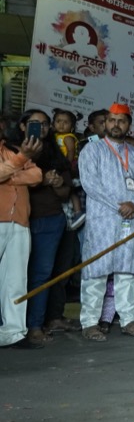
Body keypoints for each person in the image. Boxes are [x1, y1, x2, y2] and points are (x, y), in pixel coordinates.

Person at [75, 103, 134, 341]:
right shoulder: (92, 150)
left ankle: (129, 320)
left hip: (133, 220)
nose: (116, 124)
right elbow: (90, 184)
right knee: (96, 271)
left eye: (121, 121)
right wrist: (120, 206)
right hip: (103, 221)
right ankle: (89, 323)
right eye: (111, 120)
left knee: (128, 272)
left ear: (129, 125)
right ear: (105, 123)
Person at [18, 111, 72, 347]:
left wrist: (57, 183)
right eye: (34, 124)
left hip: (49, 219)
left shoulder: (55, 154)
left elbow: (65, 193)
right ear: (22, 127)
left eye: (44, 124)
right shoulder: (12, 151)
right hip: (17, 219)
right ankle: (12, 326)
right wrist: (40, 179)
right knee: (14, 276)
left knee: (42, 275)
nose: (40, 128)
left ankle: (35, 326)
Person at [0, 131, 43, 348]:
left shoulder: (14, 150)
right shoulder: (21, 154)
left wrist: (10, 176)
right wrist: (20, 162)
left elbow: (37, 176)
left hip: (19, 221)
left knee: (17, 280)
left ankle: (14, 333)